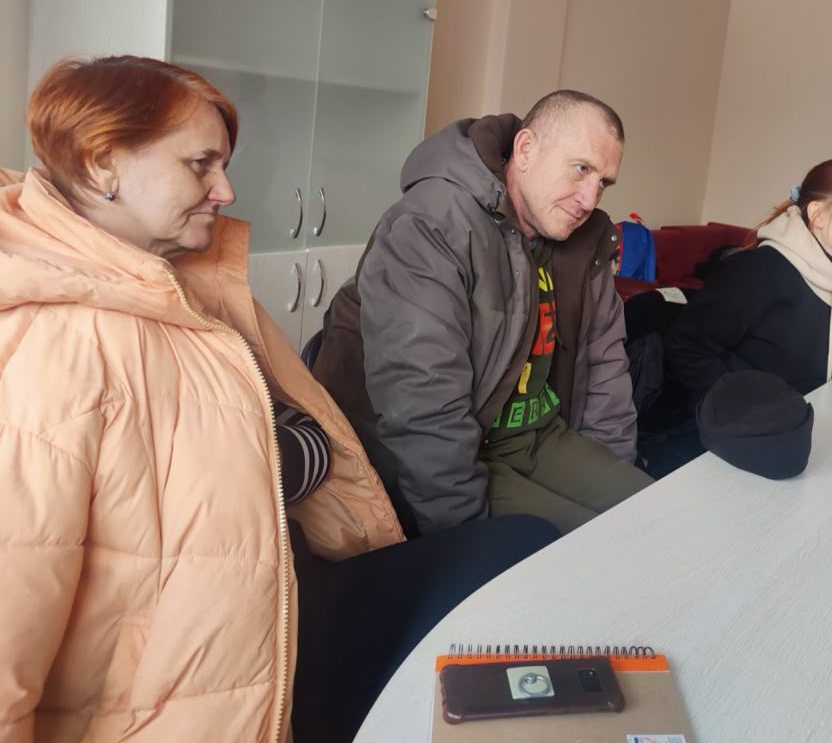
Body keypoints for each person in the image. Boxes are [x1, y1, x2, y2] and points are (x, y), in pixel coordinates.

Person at [0, 56, 557, 742]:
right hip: (195, 685)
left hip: (281, 596)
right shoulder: (48, 347)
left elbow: (288, 438)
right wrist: (281, 449)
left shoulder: (184, 285)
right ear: (100, 165)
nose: (226, 190)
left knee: (522, 547)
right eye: (200, 165)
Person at [313, 92, 652, 536]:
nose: (590, 199)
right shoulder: (432, 223)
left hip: (536, 435)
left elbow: (605, 365)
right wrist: (466, 538)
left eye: (603, 182)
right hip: (444, 450)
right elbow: (422, 406)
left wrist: (614, 469)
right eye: (581, 169)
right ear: (526, 149)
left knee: (657, 517)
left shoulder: (585, 241)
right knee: (593, 550)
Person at [664, 159, 832, 399]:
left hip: (822, 414)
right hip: (746, 417)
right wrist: (749, 410)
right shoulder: (757, 271)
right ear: (818, 214)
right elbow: (685, 350)